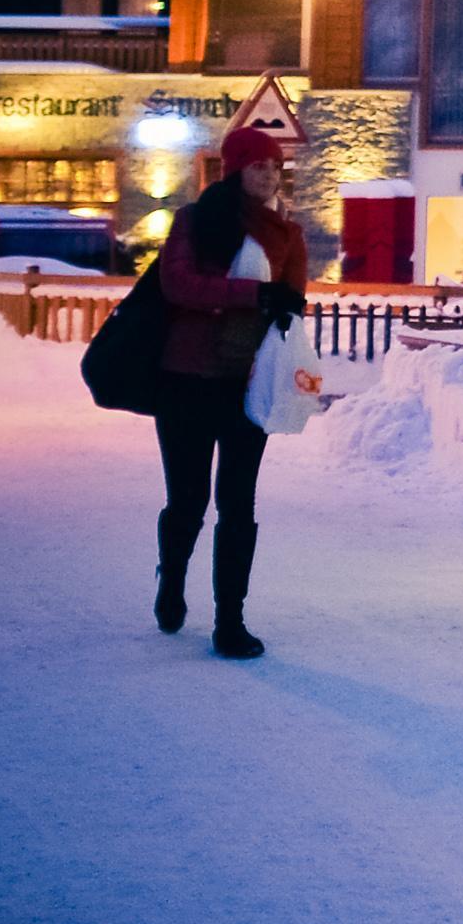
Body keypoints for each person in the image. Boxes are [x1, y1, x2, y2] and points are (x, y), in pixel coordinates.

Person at [141, 122, 308, 656]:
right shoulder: (194, 221)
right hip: (186, 380)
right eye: (258, 165)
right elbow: (179, 284)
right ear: (236, 169)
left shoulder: (288, 233)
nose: (269, 174)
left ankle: (229, 621)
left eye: (275, 166)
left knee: (238, 503)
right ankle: (171, 580)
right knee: (188, 500)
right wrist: (253, 294)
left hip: (247, 387)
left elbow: (291, 296)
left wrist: (283, 303)